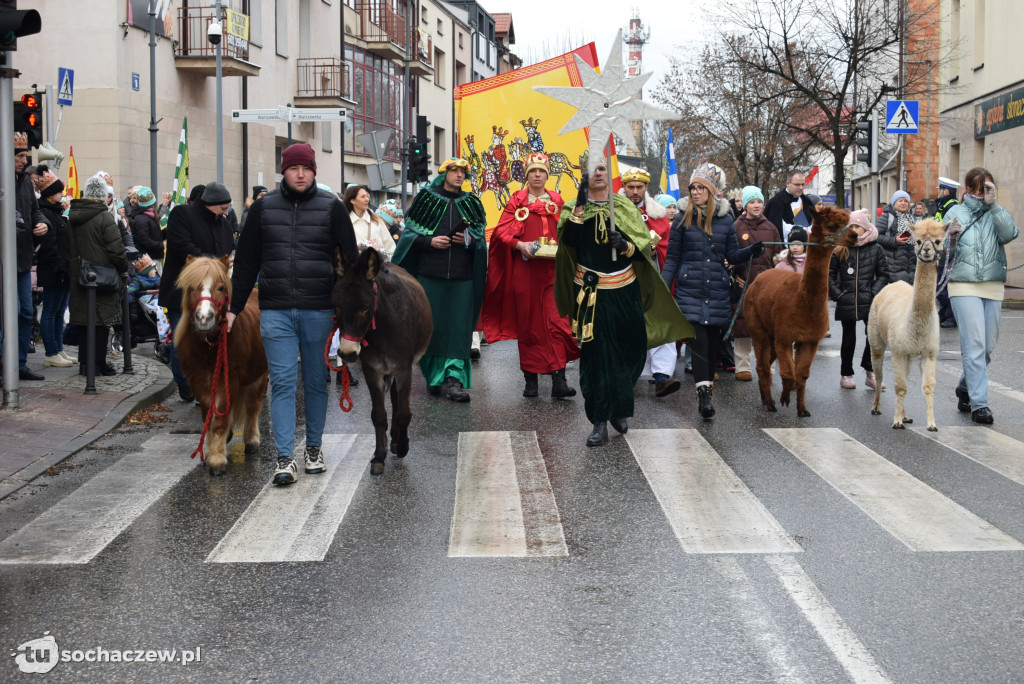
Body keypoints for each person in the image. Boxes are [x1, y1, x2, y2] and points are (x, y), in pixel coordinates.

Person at [229, 143, 359, 485]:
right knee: (283, 383)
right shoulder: (263, 209)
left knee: (316, 382)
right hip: (276, 312)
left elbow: (351, 268)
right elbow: (245, 264)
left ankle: (313, 448)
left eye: (306, 168)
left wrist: (350, 321)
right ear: (283, 172)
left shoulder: (332, 208)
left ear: (314, 171)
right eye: (293, 168)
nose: (300, 174)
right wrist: (234, 309)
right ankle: (284, 458)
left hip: (319, 311)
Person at [555, 159, 691, 445]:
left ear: (608, 173)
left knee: (631, 350)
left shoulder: (623, 206)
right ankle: (599, 420)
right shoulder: (574, 206)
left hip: (625, 288)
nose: (598, 173)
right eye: (592, 169)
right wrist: (581, 205)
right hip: (591, 292)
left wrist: (625, 245)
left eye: (602, 168)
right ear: (585, 175)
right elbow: (569, 240)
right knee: (596, 357)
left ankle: (619, 405)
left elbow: (642, 247)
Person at [662, 162, 763, 420]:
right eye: (692, 188)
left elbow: (731, 255)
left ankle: (706, 391)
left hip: (716, 289)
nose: (695, 192)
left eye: (700, 188)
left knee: (711, 347)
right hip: (690, 289)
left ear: (712, 190)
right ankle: (704, 397)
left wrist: (750, 251)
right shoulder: (681, 219)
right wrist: (664, 287)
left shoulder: (725, 220)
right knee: (699, 342)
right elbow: (673, 258)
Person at [482, 152, 579, 398]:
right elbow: (501, 234)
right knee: (530, 326)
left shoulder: (558, 200)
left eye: (541, 171)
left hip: (552, 274)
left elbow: (570, 232)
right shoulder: (517, 201)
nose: (537, 175)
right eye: (533, 171)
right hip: (524, 273)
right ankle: (531, 380)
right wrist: (520, 245)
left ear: (547, 175)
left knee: (557, 323)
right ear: (526, 176)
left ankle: (559, 380)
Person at [393, 158, 488, 403]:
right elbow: (409, 237)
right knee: (431, 328)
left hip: (462, 277)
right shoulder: (426, 199)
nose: (459, 175)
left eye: (463, 172)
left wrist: (466, 241)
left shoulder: (473, 203)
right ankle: (433, 377)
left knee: (459, 329)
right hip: (430, 276)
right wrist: (430, 241)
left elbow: (479, 242)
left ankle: (454, 380)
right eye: (454, 171)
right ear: (444, 173)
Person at [942, 167, 1019, 424]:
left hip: (993, 285)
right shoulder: (956, 211)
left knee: (987, 347)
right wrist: (948, 236)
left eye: (985, 187)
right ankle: (980, 405)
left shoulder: (996, 212)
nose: (980, 193)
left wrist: (994, 205)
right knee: (974, 345)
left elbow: (1010, 234)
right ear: (967, 189)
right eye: (976, 188)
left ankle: (965, 386)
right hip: (964, 286)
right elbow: (940, 245)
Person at [159, 181, 236, 402]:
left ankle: (205, 384)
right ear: (210, 203)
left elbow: (227, 249)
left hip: (212, 296)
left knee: (208, 340)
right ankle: (185, 382)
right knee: (183, 339)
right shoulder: (182, 214)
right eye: (223, 207)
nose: (226, 212)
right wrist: (214, 263)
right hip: (182, 292)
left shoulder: (223, 224)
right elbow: (182, 246)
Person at [619, 167, 680, 397]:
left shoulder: (657, 213)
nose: (635, 191)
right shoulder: (614, 211)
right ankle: (627, 373)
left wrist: (654, 249)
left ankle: (662, 376)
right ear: (624, 187)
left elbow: (665, 244)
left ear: (646, 188)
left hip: (651, 274)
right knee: (627, 324)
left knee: (659, 320)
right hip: (622, 275)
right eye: (630, 187)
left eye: (639, 187)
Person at [67, 176, 128, 377]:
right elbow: (117, 249)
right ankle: (98, 363)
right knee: (101, 321)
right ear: (103, 197)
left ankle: (85, 364)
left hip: (79, 273)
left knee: (85, 321)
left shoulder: (73, 215)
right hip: (102, 275)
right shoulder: (104, 217)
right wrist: (123, 268)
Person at [828, 209, 890, 390]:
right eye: (852, 226)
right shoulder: (841, 248)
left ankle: (870, 371)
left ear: (866, 228)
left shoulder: (876, 248)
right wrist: (837, 293)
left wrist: (872, 293)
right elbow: (830, 274)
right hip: (846, 299)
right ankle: (846, 374)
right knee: (848, 338)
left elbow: (883, 274)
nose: (854, 229)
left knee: (873, 336)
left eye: (858, 226)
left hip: (869, 300)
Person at [731, 186, 784, 382]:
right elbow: (731, 255)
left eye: (759, 202)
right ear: (745, 204)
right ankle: (742, 365)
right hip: (744, 283)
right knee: (743, 325)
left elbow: (779, 256)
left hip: (766, 286)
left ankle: (766, 366)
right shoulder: (736, 227)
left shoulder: (771, 228)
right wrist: (736, 273)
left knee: (766, 328)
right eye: (752, 202)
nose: (756, 205)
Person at [9, 133, 50, 381]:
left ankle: (20, 363)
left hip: (23, 260)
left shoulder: (25, 182)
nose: (25, 161)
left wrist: (42, 224)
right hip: (4, 261)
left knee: (25, 312)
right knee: (7, 314)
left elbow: (36, 212)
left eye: (25, 155)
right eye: (20, 156)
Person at [30, 165, 76, 368]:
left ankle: (58, 349)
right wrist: (60, 267)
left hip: (63, 270)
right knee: (50, 311)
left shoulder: (57, 212)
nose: (61, 193)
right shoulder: (45, 213)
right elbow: (49, 246)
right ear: (49, 194)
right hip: (53, 270)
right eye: (58, 190)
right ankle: (51, 351)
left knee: (59, 312)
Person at [934, 177, 961, 328]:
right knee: (941, 283)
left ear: (946, 191)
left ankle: (951, 316)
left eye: (940, 189)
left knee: (944, 283)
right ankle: (944, 313)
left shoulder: (951, 206)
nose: (938, 192)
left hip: (948, 248)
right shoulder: (944, 204)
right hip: (942, 248)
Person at [344, 185, 397, 260]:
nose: (367, 199)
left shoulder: (376, 220)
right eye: (363, 197)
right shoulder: (345, 221)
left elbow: (390, 247)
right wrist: (360, 246)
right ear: (352, 200)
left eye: (367, 196)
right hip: (354, 268)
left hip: (378, 268)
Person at [875, 190, 916, 284]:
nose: (903, 203)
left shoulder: (911, 218)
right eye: (900, 201)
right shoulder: (887, 217)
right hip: (893, 265)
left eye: (906, 201)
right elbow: (876, 237)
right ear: (894, 203)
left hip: (910, 265)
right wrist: (894, 240)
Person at [764, 169, 814, 243]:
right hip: (784, 248)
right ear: (788, 183)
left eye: (803, 184)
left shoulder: (807, 201)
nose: (801, 188)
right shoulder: (776, 202)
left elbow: (813, 223)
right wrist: (802, 230)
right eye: (797, 184)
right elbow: (776, 228)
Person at [130, 186, 164, 267]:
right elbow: (145, 240)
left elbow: (155, 234)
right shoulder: (142, 219)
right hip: (148, 261)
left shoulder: (148, 216)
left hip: (152, 258)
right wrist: (161, 245)